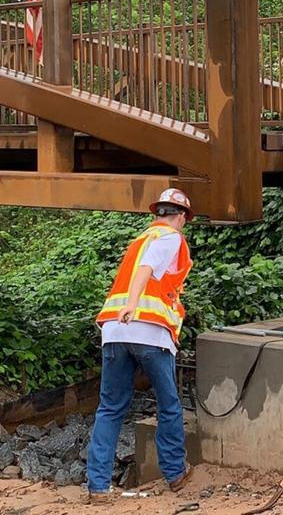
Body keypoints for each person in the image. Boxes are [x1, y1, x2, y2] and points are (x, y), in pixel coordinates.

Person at [86, 189, 195, 498]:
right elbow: (147, 270)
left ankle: (97, 486)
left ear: (156, 212)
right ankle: (175, 473)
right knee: (168, 405)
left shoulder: (138, 240)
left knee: (110, 408)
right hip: (149, 330)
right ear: (181, 216)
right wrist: (132, 305)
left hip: (115, 333)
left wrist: (126, 310)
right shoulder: (170, 238)